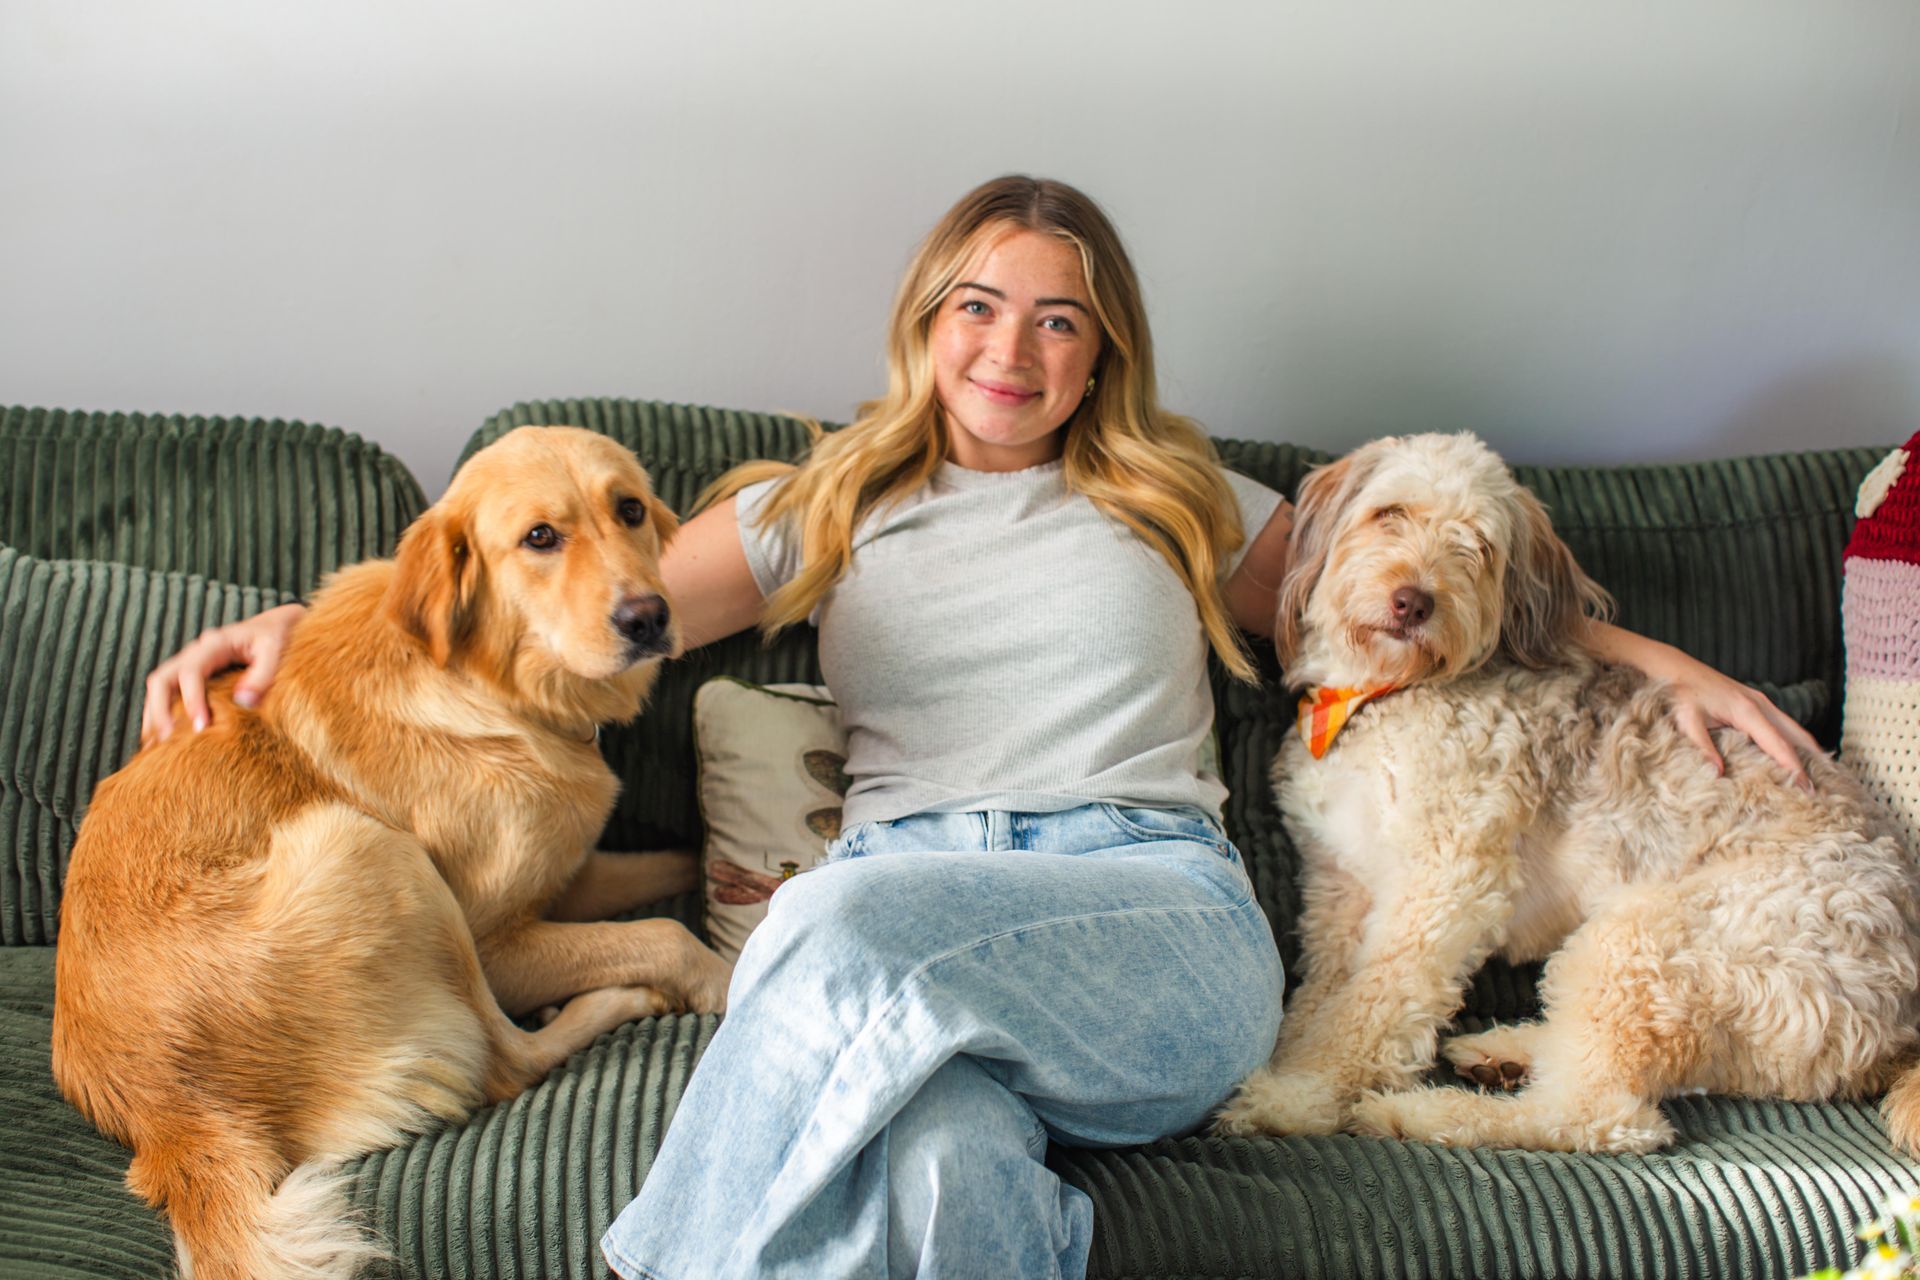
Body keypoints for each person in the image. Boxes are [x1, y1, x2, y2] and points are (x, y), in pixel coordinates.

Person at [144, 176, 1822, 1278]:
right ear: (926, 326)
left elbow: (1416, 593)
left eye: (1056, 316)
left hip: (1151, 924)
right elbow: (552, 591)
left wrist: (1653, 656)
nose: (1009, 346)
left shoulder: (1182, 497)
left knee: (837, 913)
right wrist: (299, 625)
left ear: (1099, 356)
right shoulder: (830, 503)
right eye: (976, 306)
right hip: (908, 933)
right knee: (943, 1188)